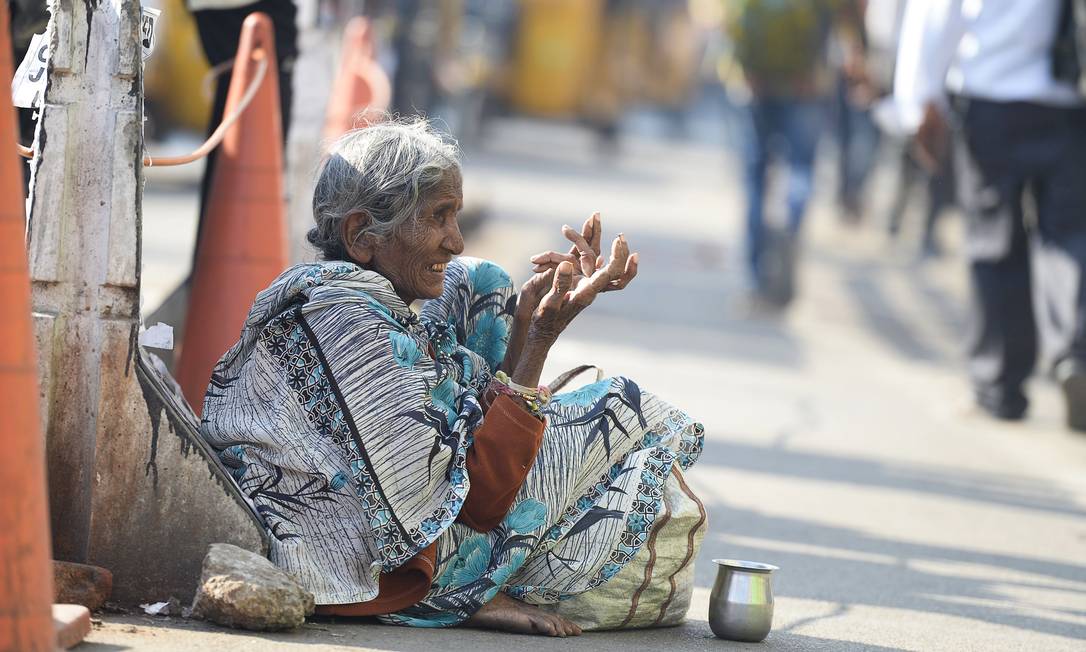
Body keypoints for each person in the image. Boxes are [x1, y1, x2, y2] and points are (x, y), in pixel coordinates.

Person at [198, 119, 705, 635]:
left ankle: (474, 579)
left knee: (481, 282)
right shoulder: (354, 325)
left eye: (455, 216)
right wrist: (541, 341)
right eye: (438, 218)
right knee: (626, 407)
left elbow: (464, 442)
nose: (456, 241)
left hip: (379, 510)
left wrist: (527, 319)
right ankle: (457, 588)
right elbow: (480, 499)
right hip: (363, 565)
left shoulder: (337, 292)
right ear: (360, 236)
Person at [893, 0, 1086, 431]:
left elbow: (938, 15)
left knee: (993, 242)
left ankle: (998, 385)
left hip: (991, 97)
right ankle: (1076, 351)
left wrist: (919, 101)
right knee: (1070, 236)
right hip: (1071, 98)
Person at [725, 0, 864, 307]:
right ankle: (789, 226)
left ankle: (755, 277)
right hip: (808, 83)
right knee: (800, 169)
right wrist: (856, 50)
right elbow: (847, 15)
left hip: (753, 80)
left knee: (756, 178)